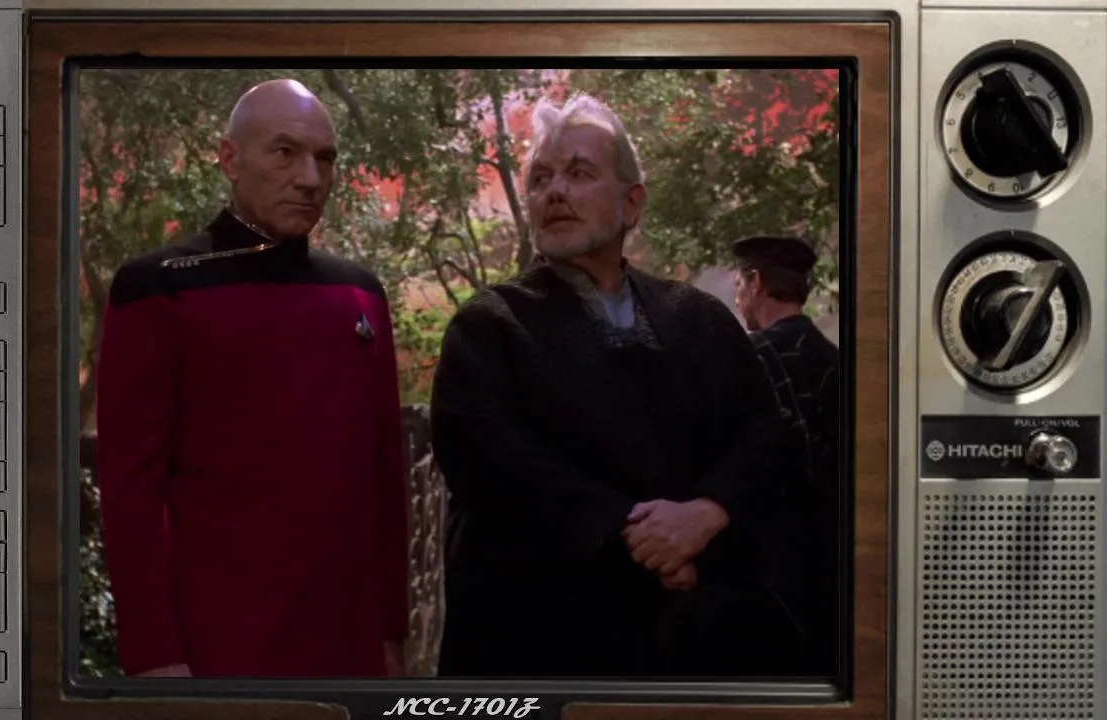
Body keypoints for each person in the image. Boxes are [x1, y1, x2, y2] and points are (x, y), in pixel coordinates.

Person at [430, 93, 805, 678]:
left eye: (579, 173)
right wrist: (638, 535)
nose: (555, 192)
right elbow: (491, 462)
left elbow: (766, 436)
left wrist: (707, 512)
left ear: (632, 203)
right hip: (539, 645)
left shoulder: (699, 319)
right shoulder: (491, 325)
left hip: (685, 651)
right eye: (541, 179)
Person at [95, 79, 408, 678]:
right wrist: (156, 656)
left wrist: (391, 635)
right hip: (218, 652)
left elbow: (384, 483)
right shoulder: (158, 289)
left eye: (324, 158)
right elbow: (132, 492)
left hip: (348, 653)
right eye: (285, 152)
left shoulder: (359, 295)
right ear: (230, 160)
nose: (310, 178)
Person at [732, 234, 842, 677]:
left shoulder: (748, 357)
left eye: (739, 284)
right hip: (835, 555)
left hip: (766, 563)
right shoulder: (836, 358)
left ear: (756, 282)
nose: (737, 297)